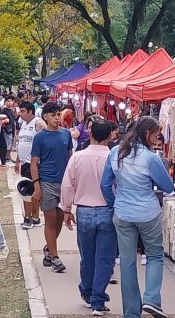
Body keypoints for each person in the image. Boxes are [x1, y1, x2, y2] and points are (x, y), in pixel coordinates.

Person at [100, 116, 174, 318]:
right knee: (154, 256)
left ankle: (131, 312)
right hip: (147, 213)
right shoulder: (151, 158)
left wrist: (113, 203)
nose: (157, 139)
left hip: (123, 212)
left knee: (126, 262)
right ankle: (151, 299)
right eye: (156, 135)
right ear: (147, 133)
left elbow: (105, 184)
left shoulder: (115, 152)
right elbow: (167, 186)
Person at [61, 120, 115, 315]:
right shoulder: (113, 158)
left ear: (90, 134)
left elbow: (68, 184)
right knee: (105, 258)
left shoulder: (77, 157)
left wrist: (66, 209)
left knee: (87, 256)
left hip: (83, 211)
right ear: (110, 136)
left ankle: (87, 291)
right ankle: (97, 299)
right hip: (107, 211)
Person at [31, 102, 73, 273]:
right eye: (53, 114)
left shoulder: (66, 134)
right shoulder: (40, 137)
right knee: (50, 219)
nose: (57, 117)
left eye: (58, 114)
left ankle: (49, 249)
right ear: (45, 117)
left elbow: (70, 158)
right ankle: (55, 257)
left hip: (63, 182)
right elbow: (34, 163)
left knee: (60, 217)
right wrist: (37, 186)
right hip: (46, 181)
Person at [15, 101, 46, 229]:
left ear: (30, 112)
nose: (20, 114)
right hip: (24, 163)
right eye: (20, 111)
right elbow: (21, 143)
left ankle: (29, 218)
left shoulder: (38, 123)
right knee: (29, 192)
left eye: (23, 111)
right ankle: (34, 217)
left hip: (33, 163)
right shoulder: (23, 124)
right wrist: (17, 160)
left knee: (28, 193)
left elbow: (45, 138)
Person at [1, 95, 17, 164]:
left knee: (11, 145)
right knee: (8, 145)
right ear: (5, 102)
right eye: (7, 101)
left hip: (12, 130)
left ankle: (8, 157)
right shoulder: (4, 110)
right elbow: (3, 121)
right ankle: (6, 158)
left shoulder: (11, 110)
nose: (9, 103)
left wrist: (15, 109)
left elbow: (15, 118)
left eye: (10, 101)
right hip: (7, 131)